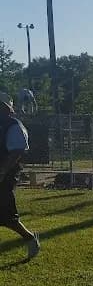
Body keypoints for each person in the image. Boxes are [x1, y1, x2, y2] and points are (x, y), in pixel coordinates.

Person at [0, 93, 40, 259]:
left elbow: (17, 152)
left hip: (5, 175)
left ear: (7, 108)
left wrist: (2, 171)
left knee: (8, 217)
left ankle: (30, 238)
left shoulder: (14, 125)